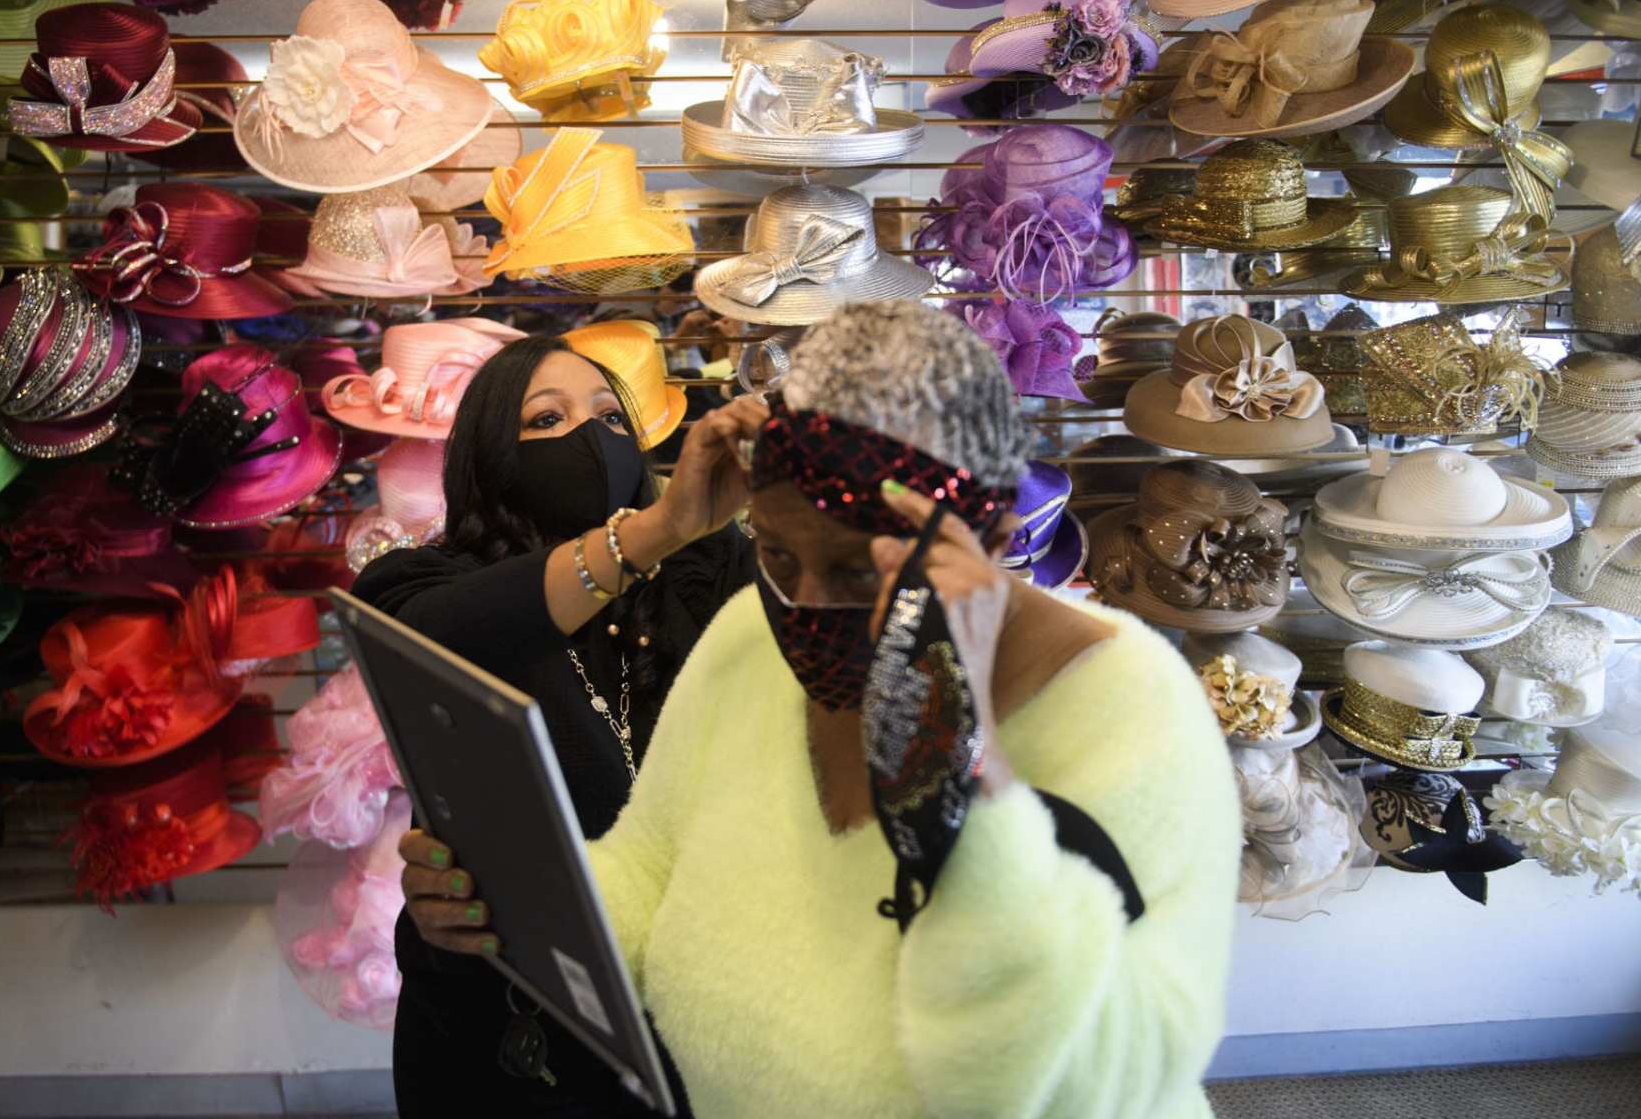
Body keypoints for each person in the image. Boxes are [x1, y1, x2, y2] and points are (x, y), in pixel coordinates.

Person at [398, 301, 1242, 1118]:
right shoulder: (748, 634)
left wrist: (959, 811)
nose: (803, 603)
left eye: (853, 571)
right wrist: (507, 893)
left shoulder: (1131, 706)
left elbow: (1108, 1081)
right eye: (773, 552)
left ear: (982, 534)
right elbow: (651, 870)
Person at [351, 333, 760, 1116]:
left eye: (611, 417)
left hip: (703, 1016)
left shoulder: (711, 577)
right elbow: (433, 642)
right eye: (548, 419)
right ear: (490, 457)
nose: (589, 435)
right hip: (512, 1030)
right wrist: (660, 526)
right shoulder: (420, 587)